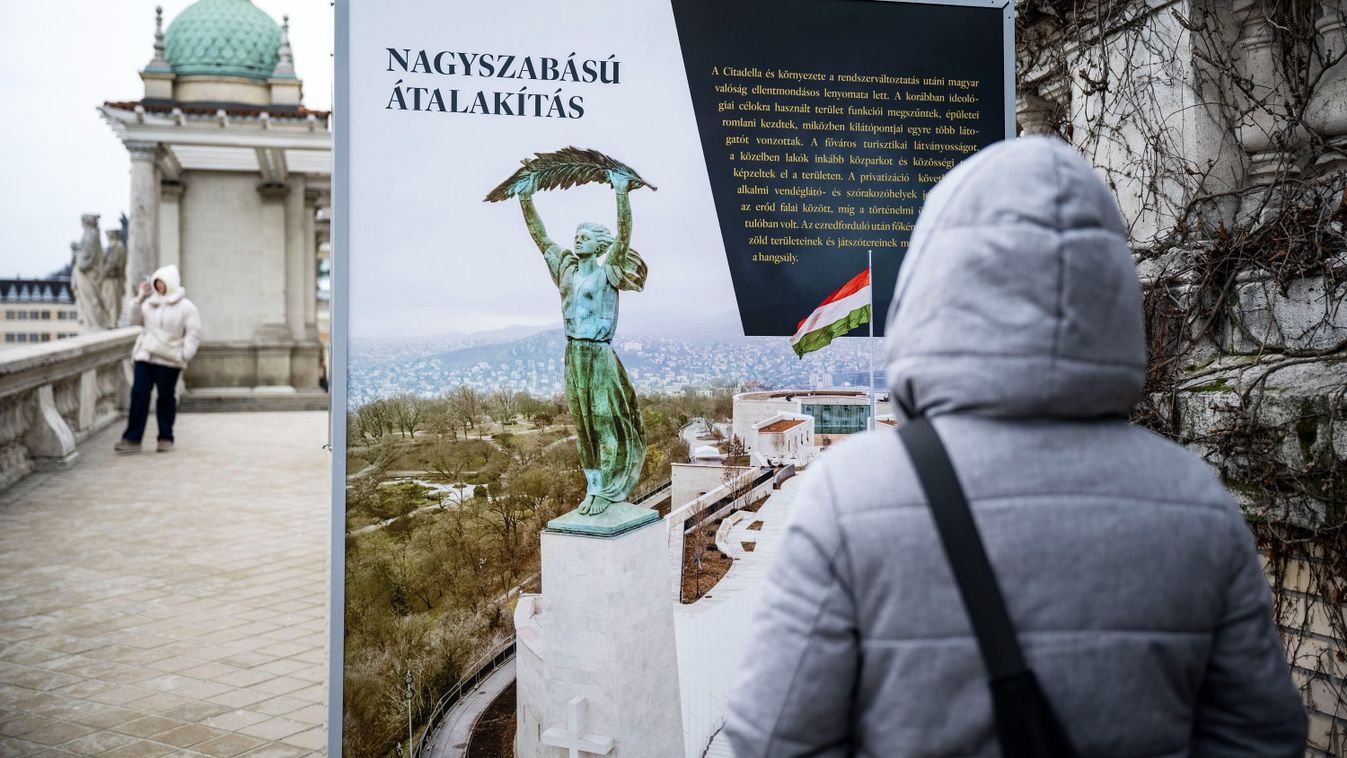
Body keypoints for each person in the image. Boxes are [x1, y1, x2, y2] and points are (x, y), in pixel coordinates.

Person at [725, 137, 1307, 757]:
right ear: (1109, 290)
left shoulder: (849, 497)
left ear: (936, 287)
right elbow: (1259, 739)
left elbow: (772, 740)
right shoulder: (1197, 501)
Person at [115, 265, 201, 453]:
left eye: (162, 282)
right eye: (156, 282)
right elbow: (134, 322)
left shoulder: (186, 307)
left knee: (165, 397)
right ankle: (132, 439)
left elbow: (193, 333)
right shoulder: (148, 304)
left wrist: (184, 355)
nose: (159, 286)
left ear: (171, 283)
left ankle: (165, 437)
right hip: (145, 356)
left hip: (169, 359)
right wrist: (138, 299)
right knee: (139, 394)